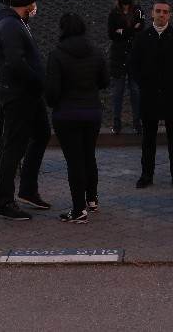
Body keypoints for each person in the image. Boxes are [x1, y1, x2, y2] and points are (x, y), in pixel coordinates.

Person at [0, 0, 51, 220]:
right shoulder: (10, 26)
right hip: (18, 95)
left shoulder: (17, 24)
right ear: (28, 5)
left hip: (27, 94)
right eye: (33, 4)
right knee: (14, 146)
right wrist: (38, 79)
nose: (35, 8)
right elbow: (15, 62)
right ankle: (5, 200)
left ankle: (27, 189)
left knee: (41, 134)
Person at [44, 13, 108, 223]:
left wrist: (55, 102)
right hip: (92, 112)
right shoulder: (96, 52)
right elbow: (105, 81)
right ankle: (92, 199)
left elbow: (52, 91)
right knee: (89, 155)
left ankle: (78, 209)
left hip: (66, 114)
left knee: (74, 162)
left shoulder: (56, 54)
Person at [129, 1, 173, 189]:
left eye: (165, 12)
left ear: (170, 15)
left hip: (171, 95)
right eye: (158, 11)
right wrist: (143, 83)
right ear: (152, 13)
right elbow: (133, 65)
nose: (161, 15)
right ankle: (146, 175)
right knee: (148, 138)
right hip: (149, 95)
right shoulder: (142, 37)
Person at [107, 0, 145, 134]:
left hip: (135, 56)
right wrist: (131, 30)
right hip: (118, 57)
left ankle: (137, 122)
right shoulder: (113, 13)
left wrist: (123, 31)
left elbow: (140, 28)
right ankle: (116, 122)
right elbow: (112, 34)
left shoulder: (138, 10)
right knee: (118, 91)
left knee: (136, 90)